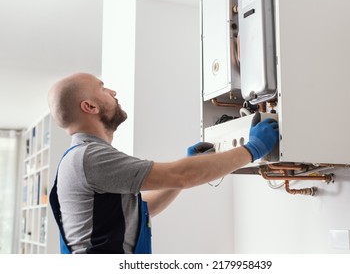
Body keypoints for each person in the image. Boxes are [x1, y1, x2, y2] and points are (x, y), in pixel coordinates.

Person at [47, 72, 279, 254]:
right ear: (90, 107)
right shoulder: (89, 158)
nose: (113, 91)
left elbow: (142, 211)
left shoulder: (81, 157)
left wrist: (189, 166)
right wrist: (252, 149)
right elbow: (181, 175)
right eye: (102, 88)